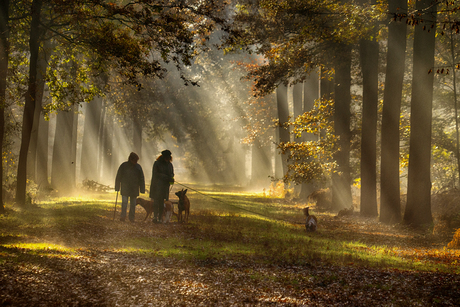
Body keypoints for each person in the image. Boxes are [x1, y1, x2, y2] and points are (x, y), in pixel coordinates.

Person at [115, 152, 145, 222]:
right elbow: (118, 177)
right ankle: (123, 216)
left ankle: (131, 218)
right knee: (124, 202)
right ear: (131, 159)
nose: (136, 162)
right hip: (125, 187)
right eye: (135, 160)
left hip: (134, 188)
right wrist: (117, 187)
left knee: (133, 204)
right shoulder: (123, 166)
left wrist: (142, 188)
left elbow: (141, 178)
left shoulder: (138, 167)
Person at [150, 150, 174, 223]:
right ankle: (155, 217)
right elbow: (156, 174)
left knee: (161, 202)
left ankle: (160, 217)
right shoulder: (157, 163)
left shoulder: (170, 165)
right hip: (157, 185)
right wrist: (166, 177)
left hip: (165, 186)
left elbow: (172, 173)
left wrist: (171, 178)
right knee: (156, 201)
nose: (167, 159)